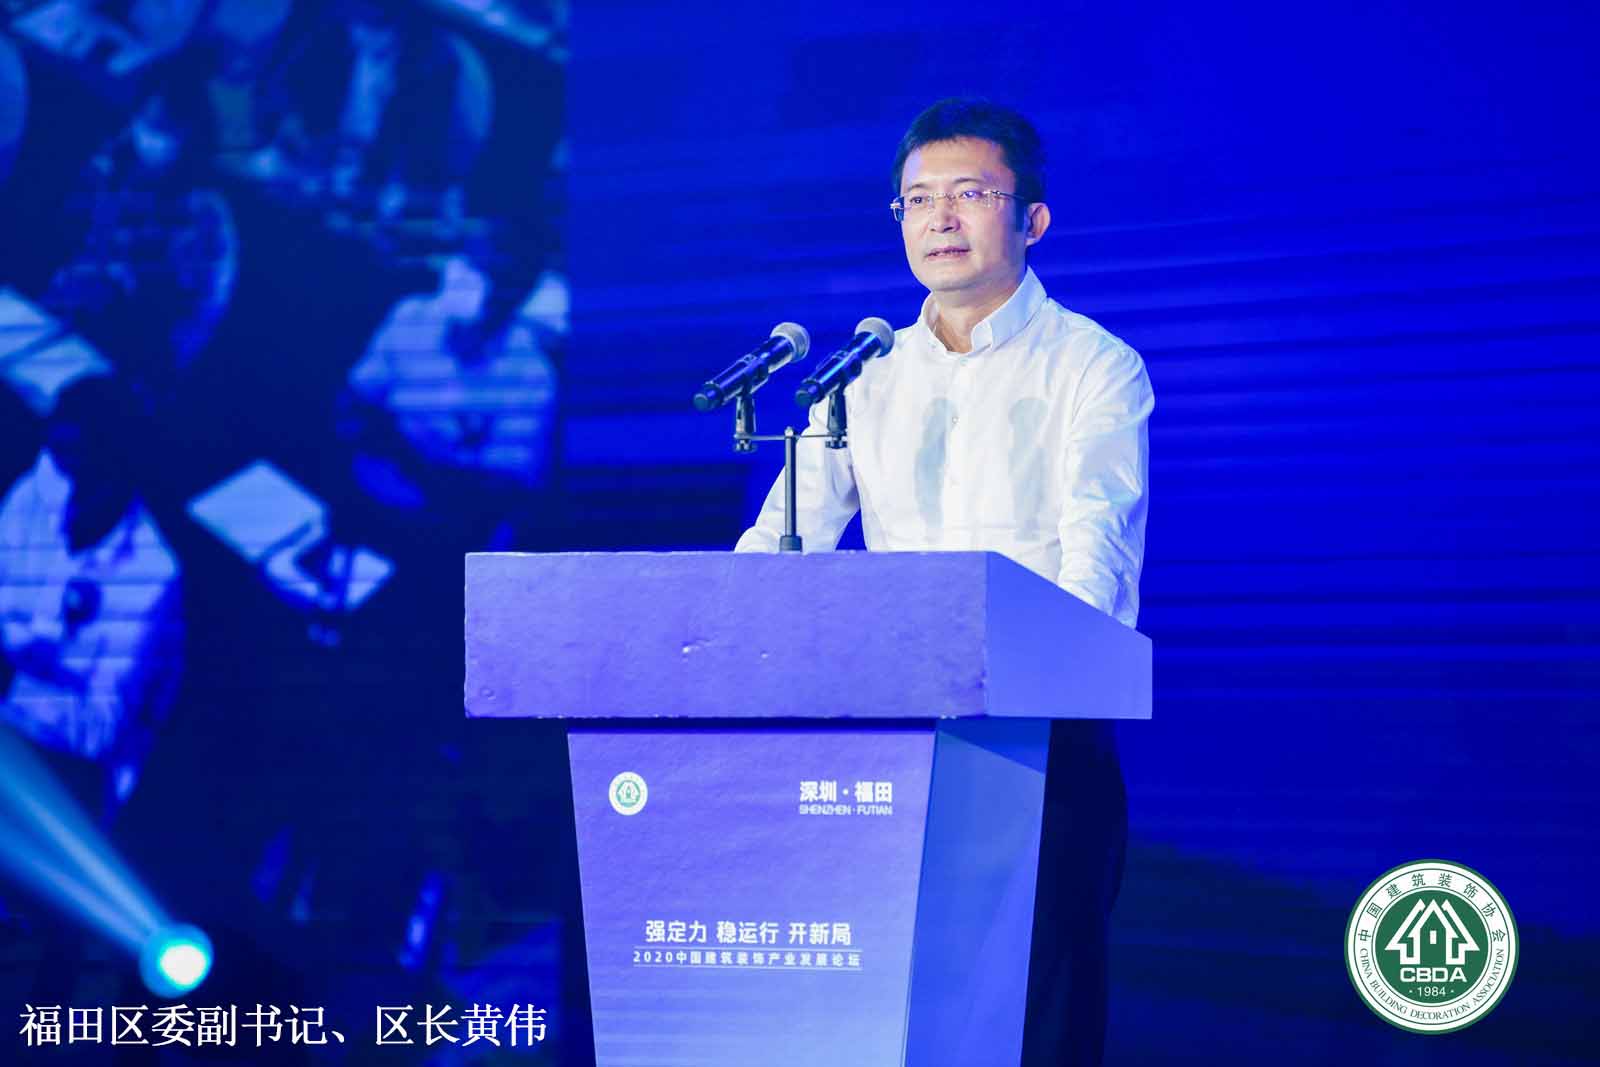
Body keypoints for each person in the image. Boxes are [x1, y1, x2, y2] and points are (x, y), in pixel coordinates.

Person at [736, 97, 1154, 1065]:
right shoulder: (864, 374)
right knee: (895, 1025)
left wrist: (1035, 674)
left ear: (1032, 218)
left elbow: (1096, 557)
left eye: (969, 193)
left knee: (1035, 1028)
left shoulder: (1094, 367)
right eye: (917, 199)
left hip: (1036, 746)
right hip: (886, 748)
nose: (939, 219)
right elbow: (781, 543)